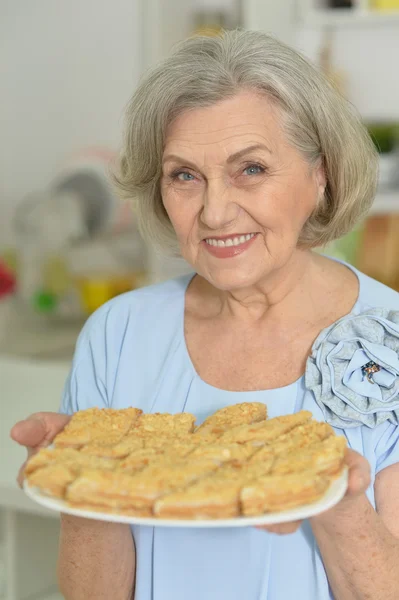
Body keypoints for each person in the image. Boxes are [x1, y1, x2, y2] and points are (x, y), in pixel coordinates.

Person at [11, 29, 399, 600]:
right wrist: (83, 488)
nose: (215, 212)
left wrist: (338, 505)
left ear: (321, 174)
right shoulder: (117, 334)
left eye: (252, 169)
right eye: (185, 175)